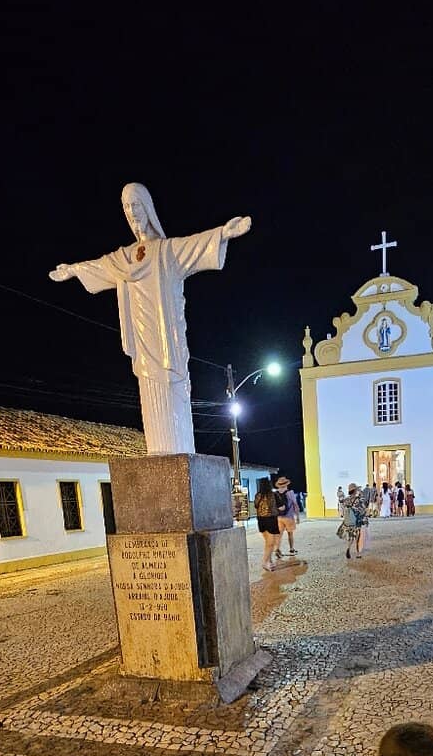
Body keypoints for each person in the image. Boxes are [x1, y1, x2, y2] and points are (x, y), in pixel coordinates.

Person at [50, 183, 251, 455]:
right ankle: (161, 454)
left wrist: (224, 234)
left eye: (135, 205)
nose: (132, 212)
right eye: (126, 207)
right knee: (149, 392)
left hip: (168, 342)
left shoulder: (167, 251)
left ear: (147, 208)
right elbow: (99, 266)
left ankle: (179, 452)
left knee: (173, 393)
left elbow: (194, 245)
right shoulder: (124, 259)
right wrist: (73, 270)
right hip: (143, 344)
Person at [254, 477, 281, 571]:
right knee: (271, 543)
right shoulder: (273, 494)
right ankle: (265, 562)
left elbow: (256, 506)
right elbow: (281, 507)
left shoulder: (258, 495)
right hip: (271, 519)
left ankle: (269, 561)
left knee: (268, 542)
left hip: (261, 520)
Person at [337, 483, 369, 558]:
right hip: (356, 521)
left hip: (349, 520)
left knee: (351, 537)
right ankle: (358, 553)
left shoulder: (347, 499)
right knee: (357, 537)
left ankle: (348, 548)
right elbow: (362, 509)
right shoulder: (358, 500)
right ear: (355, 490)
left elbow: (342, 504)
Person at [274, 476, 300, 556]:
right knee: (290, 534)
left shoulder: (276, 493)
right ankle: (291, 549)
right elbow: (295, 505)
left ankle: (277, 549)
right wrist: (297, 516)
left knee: (279, 535)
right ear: (286, 484)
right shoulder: (290, 493)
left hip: (279, 517)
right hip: (289, 517)